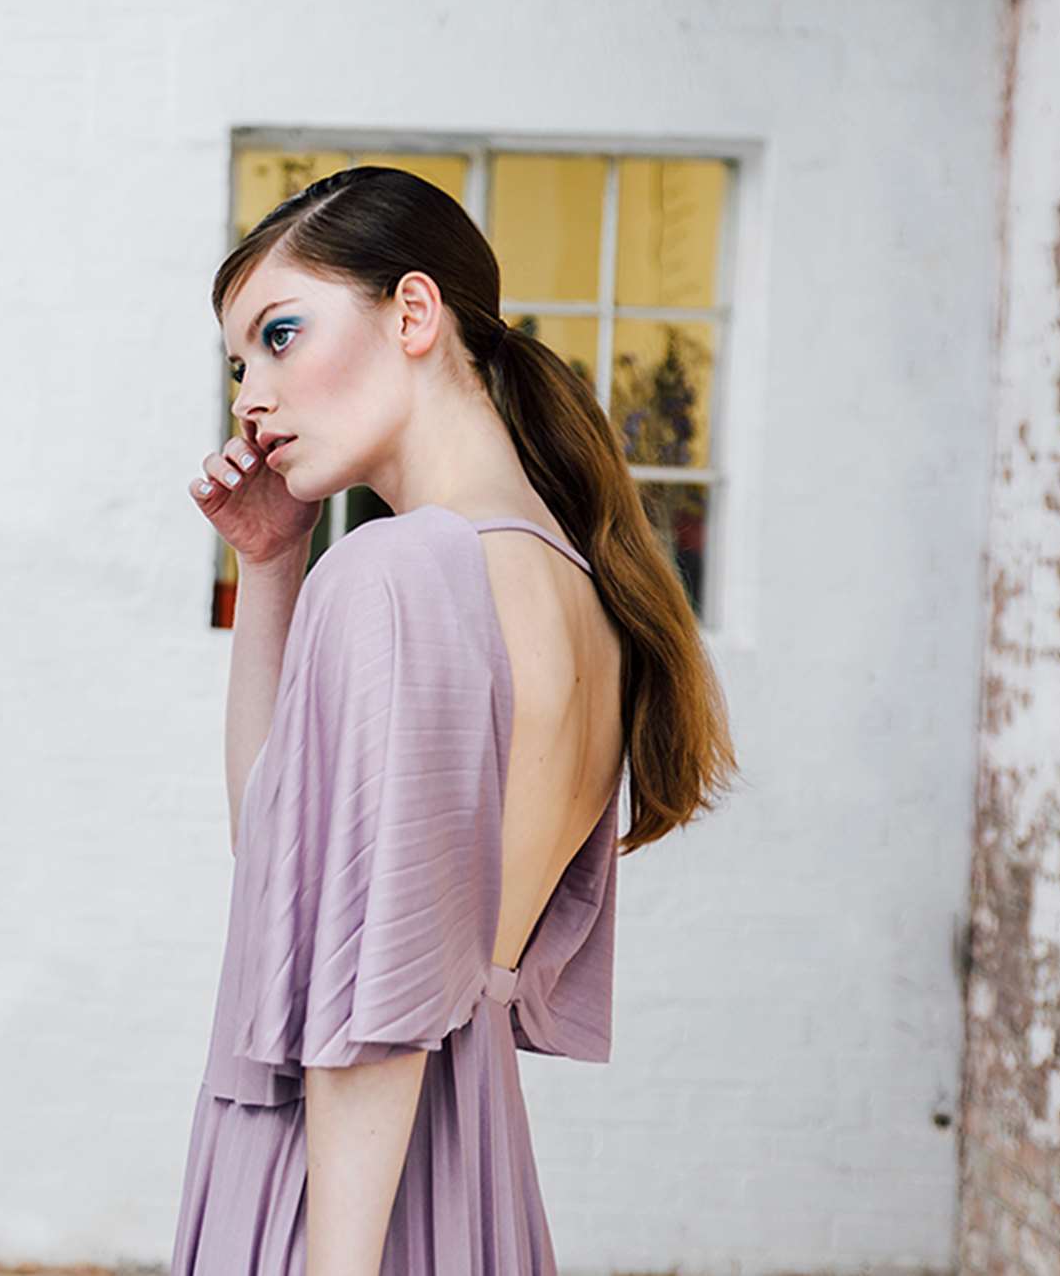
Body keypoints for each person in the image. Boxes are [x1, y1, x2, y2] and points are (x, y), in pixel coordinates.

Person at [174, 166, 734, 1274]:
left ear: (414, 313)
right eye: (238, 362)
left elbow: (372, 1007)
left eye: (281, 334)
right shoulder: (574, 581)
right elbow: (280, 857)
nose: (250, 393)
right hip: (466, 1170)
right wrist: (270, 564)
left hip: (343, 1202)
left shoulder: (394, 574)